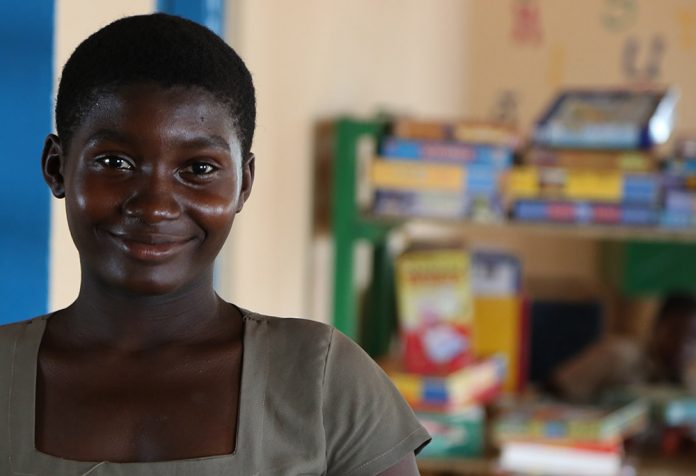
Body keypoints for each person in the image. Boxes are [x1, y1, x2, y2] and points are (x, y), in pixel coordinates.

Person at [0, 13, 430, 475]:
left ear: (244, 183)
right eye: (115, 161)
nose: (155, 206)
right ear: (56, 167)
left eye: (199, 169)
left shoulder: (322, 381)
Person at [550, 293, 696, 403]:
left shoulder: (686, 379)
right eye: (675, 332)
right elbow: (554, 389)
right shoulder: (620, 355)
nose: (683, 344)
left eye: (693, 337)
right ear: (657, 327)